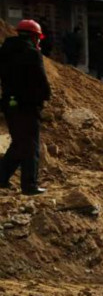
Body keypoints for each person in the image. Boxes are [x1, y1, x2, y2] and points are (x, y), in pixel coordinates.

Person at [0, 19, 51, 195]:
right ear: (35, 36)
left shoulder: (5, 52)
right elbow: (40, 79)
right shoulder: (32, 53)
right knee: (31, 146)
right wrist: (45, 97)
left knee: (19, 143)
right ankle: (30, 185)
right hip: (28, 106)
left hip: (9, 104)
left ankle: (1, 177)